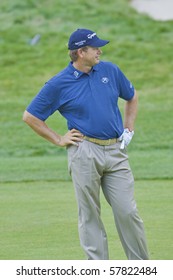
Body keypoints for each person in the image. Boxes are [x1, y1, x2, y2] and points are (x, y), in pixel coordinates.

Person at [23, 28, 149, 260]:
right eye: (95, 47)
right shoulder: (58, 84)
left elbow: (131, 96)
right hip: (84, 152)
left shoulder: (109, 70)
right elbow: (31, 116)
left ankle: (142, 269)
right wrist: (59, 139)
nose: (100, 50)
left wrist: (129, 126)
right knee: (90, 215)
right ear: (81, 52)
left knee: (128, 211)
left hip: (115, 151)